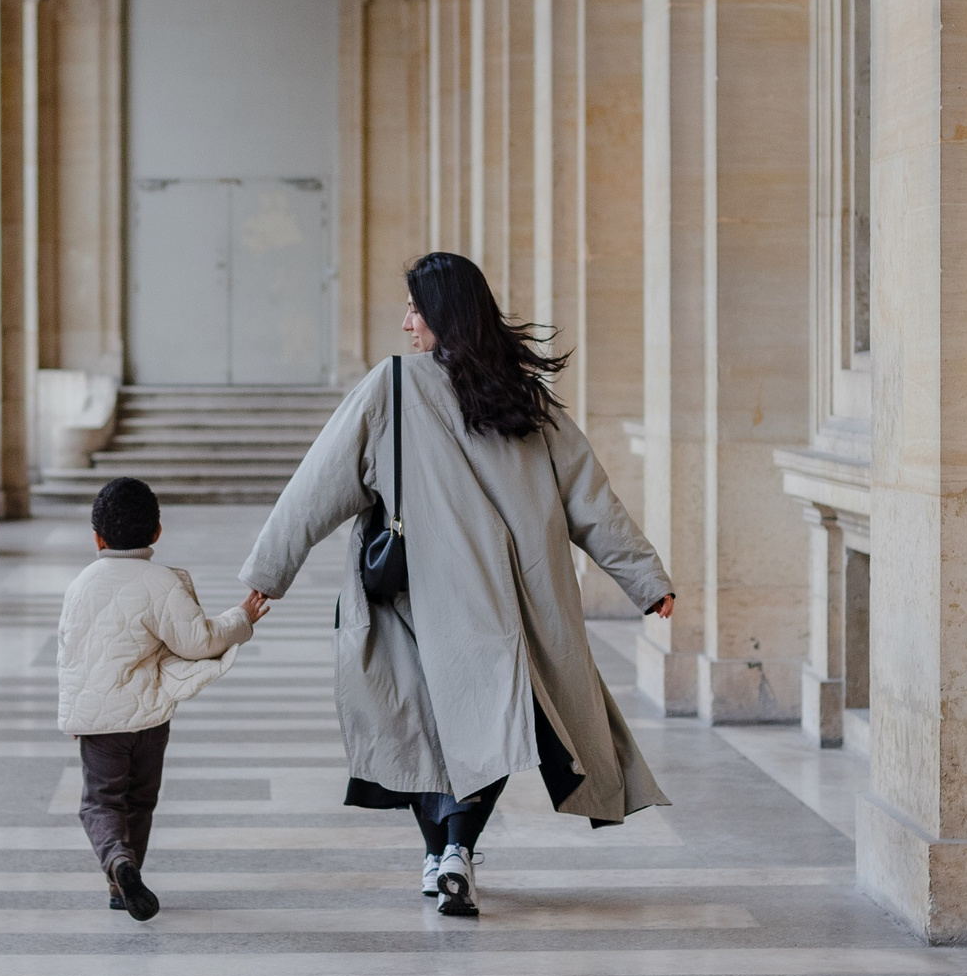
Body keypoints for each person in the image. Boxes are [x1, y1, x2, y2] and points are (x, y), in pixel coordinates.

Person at [240, 251, 675, 916]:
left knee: (425, 728)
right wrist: (645, 578)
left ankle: (446, 854)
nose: (406, 323)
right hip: (507, 608)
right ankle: (453, 854)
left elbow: (316, 486)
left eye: (416, 309)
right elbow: (591, 500)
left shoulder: (392, 386)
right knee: (488, 727)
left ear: (445, 314)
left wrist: (269, 571)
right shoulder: (524, 397)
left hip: (412, 601)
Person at [57, 476, 269, 920]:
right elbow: (198, 641)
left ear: (97, 538)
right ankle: (124, 882)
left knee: (101, 802)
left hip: (101, 724)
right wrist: (241, 618)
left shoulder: (80, 585)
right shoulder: (162, 583)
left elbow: (71, 654)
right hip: (150, 722)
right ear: (156, 532)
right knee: (140, 800)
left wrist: (75, 716)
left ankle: (118, 863)